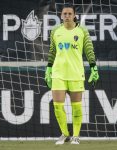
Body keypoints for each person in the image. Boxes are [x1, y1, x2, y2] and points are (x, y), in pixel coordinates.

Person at [45, 3, 99, 145]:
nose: (67, 16)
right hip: (58, 73)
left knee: (76, 106)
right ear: (61, 15)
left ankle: (76, 136)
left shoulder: (82, 31)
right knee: (57, 106)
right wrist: (48, 68)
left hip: (76, 73)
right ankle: (65, 134)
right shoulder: (56, 31)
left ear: (74, 15)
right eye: (65, 14)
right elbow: (52, 51)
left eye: (70, 14)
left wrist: (93, 67)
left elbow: (89, 50)